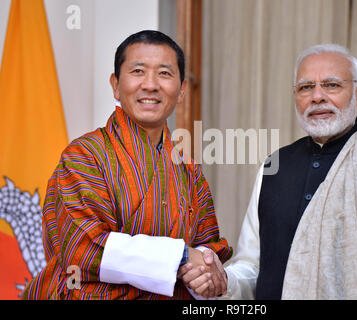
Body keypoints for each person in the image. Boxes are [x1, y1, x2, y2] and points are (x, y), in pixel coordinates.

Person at [179, 44, 357, 300]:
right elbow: (253, 268)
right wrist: (222, 279)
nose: (317, 96)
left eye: (332, 85)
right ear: (296, 97)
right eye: (306, 87)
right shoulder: (274, 166)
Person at [22, 30, 232, 300]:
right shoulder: (84, 156)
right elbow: (84, 248)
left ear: (181, 91)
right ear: (116, 85)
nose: (150, 84)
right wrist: (180, 257)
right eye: (138, 71)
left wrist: (204, 271)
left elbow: (207, 245)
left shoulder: (187, 168)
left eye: (165, 73)